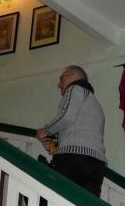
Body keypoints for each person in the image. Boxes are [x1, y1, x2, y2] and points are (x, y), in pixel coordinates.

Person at [36, 65, 106, 196]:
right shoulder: (94, 103)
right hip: (96, 164)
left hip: (74, 159)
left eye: (61, 79)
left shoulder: (75, 88)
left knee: (46, 195)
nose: (58, 85)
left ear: (70, 76)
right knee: (83, 204)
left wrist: (45, 131)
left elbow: (67, 116)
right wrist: (53, 147)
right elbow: (80, 134)